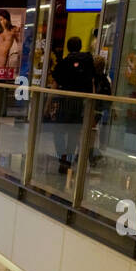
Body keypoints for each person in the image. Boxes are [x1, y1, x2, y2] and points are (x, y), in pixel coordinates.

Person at [51, 36, 96, 171]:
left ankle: (62, 156)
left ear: (68, 47)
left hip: (65, 102)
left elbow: (55, 82)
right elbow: (92, 83)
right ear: (80, 46)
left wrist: (48, 105)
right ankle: (68, 159)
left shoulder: (64, 63)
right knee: (74, 132)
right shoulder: (88, 62)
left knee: (58, 131)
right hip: (81, 103)